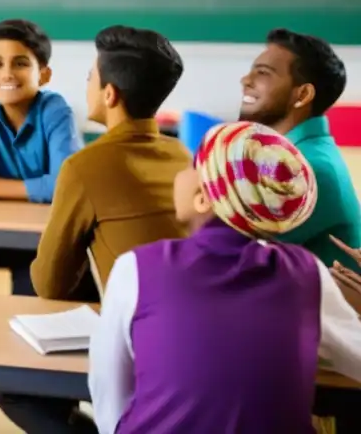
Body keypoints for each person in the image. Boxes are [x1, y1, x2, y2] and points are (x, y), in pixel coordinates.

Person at [89, 122, 361, 434]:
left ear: (203, 198)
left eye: (192, 165)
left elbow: (108, 393)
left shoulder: (135, 268)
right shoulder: (306, 273)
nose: (181, 173)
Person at [0, 27, 190, 433]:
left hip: (141, 346)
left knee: (10, 388)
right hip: (193, 338)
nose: (86, 83)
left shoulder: (85, 167)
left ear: (110, 94)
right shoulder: (182, 154)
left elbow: (48, 283)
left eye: (90, 75)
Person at [0, 19, 81, 295]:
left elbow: (65, 185)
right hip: (2, 228)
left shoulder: (56, 111)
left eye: (20, 64)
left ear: (43, 75)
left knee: (28, 295)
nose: (6, 74)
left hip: (48, 239)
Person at [239, 28, 361, 270]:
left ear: (303, 94)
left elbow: (233, 255)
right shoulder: (301, 152)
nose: (246, 80)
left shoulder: (306, 168)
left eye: (263, 73)